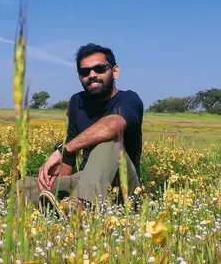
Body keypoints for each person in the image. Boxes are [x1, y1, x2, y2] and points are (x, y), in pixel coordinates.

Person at [21, 43, 143, 212]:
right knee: (24, 186)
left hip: (122, 187)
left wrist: (64, 150)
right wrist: (55, 187)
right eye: (85, 72)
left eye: (99, 69)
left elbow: (113, 125)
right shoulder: (77, 102)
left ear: (115, 71)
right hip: (87, 181)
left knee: (109, 142)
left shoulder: (129, 99)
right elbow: (69, 158)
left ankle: (79, 210)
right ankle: (60, 209)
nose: (92, 75)